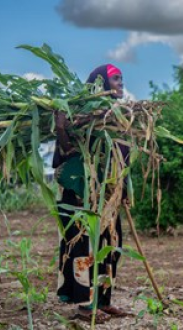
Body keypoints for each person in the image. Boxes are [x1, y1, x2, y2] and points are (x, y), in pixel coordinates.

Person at [53, 64, 130, 322]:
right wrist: (62, 130)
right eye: (115, 79)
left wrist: (123, 192)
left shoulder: (117, 117)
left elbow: (122, 158)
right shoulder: (80, 116)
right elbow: (66, 156)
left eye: (121, 79)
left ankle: (104, 300)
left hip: (108, 199)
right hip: (80, 199)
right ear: (101, 83)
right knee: (83, 249)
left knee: (111, 247)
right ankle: (85, 305)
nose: (120, 83)